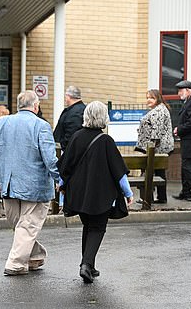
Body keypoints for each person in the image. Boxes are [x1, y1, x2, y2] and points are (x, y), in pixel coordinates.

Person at [58, 100, 134, 284]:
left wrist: (61, 189)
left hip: (78, 193)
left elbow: (65, 167)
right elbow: (118, 172)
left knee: (88, 226)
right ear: (104, 118)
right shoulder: (106, 141)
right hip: (101, 195)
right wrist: (128, 193)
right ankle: (86, 264)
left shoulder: (76, 137)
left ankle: (89, 265)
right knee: (98, 227)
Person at [0, 90, 60, 276]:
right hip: (34, 185)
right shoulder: (41, 126)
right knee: (26, 225)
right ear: (36, 106)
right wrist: (60, 179)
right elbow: (50, 159)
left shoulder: (2, 123)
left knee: (20, 225)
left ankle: (34, 257)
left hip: (8, 184)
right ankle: (16, 264)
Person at [136, 89, 174, 204]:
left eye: (152, 98)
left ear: (158, 98)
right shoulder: (160, 109)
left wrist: (150, 149)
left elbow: (156, 133)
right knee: (159, 172)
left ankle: (148, 198)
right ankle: (160, 197)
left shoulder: (158, 111)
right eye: (147, 97)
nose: (148, 100)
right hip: (159, 147)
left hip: (156, 148)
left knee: (150, 172)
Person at [54, 85, 86, 150]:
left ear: (68, 97)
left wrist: (64, 146)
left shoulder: (74, 112)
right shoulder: (82, 109)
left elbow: (71, 135)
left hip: (71, 151)